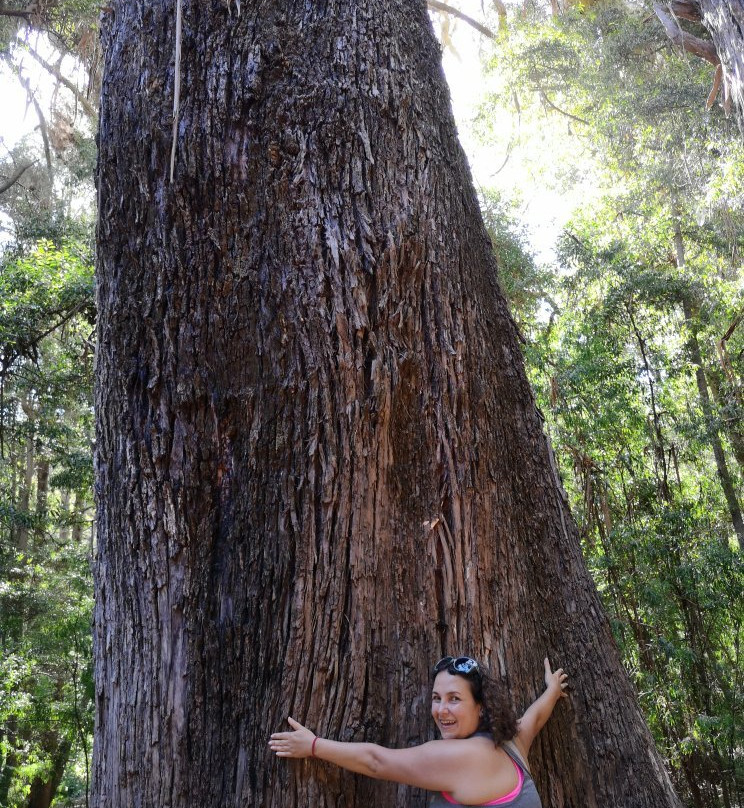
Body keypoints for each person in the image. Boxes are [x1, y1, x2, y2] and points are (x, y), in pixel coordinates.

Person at [269, 655, 568, 806]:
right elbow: (536, 717)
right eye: (437, 698)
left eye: (455, 699)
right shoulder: (512, 742)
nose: (441, 710)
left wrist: (312, 745)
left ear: (481, 707)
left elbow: (377, 761)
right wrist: (552, 690)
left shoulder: (460, 756)